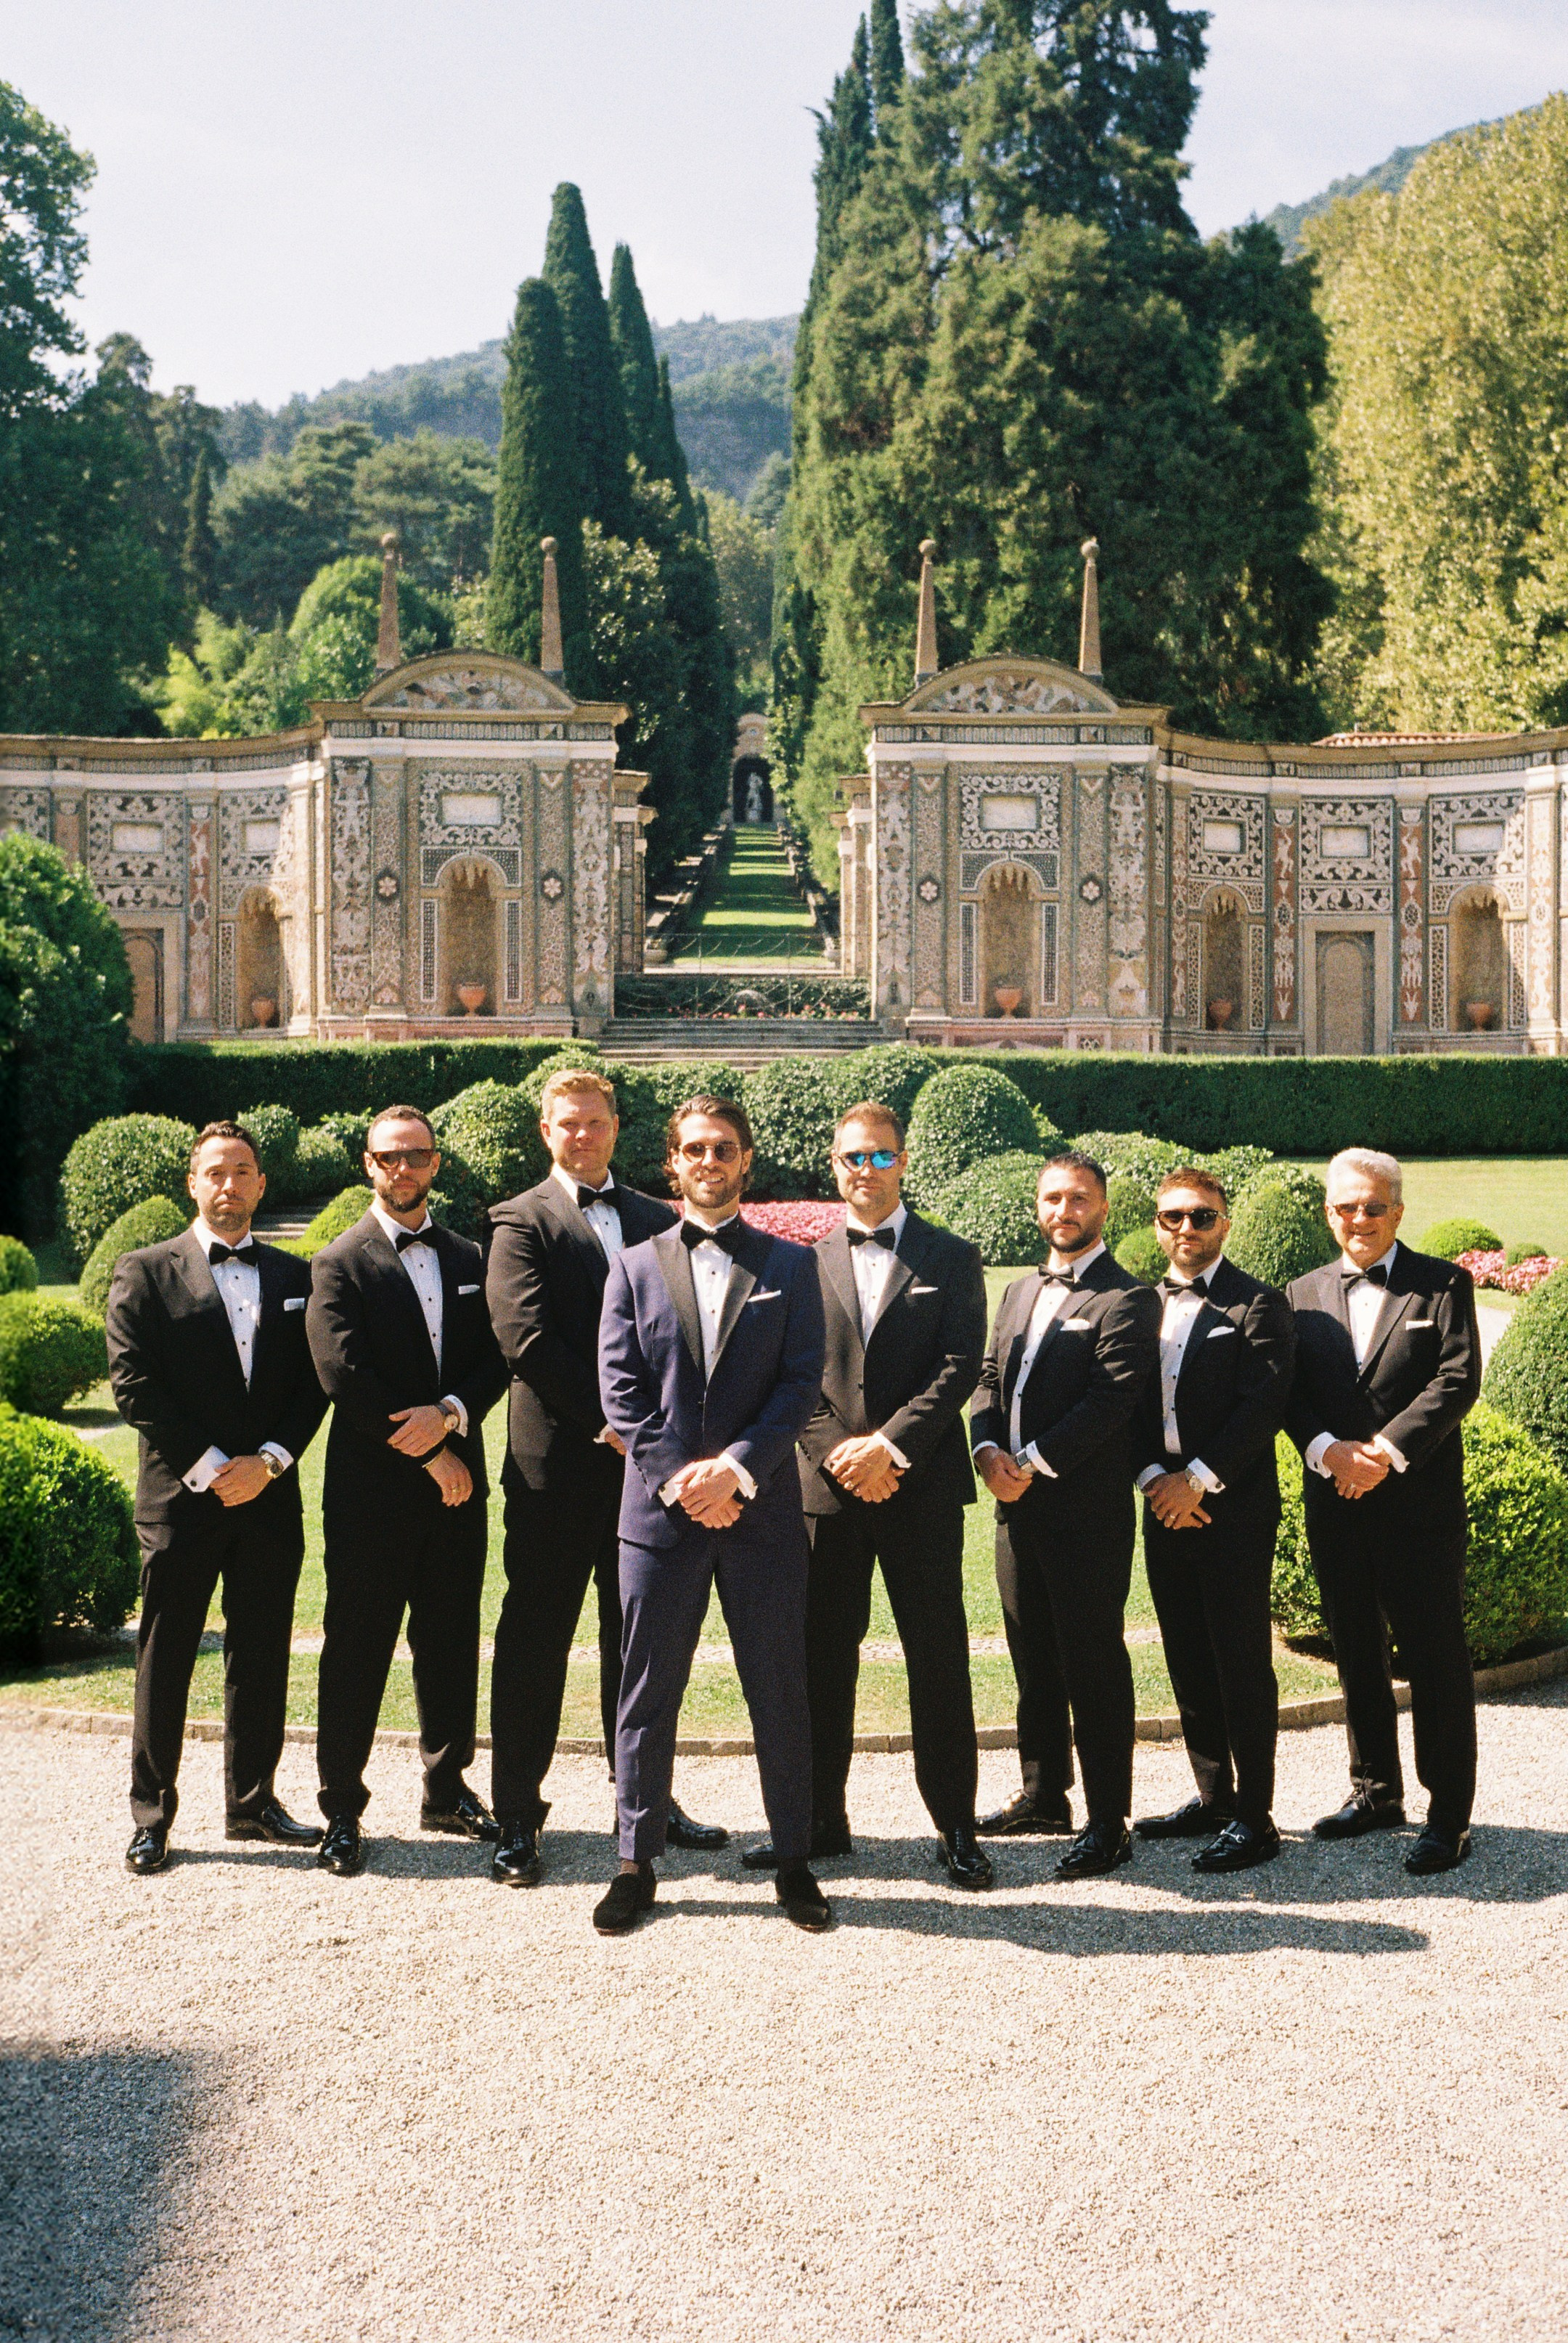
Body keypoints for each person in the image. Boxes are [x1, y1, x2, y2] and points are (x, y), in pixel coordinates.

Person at [483, 1067, 727, 1886]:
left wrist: (658, 1439)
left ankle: (644, 1801)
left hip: (648, 1473)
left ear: (616, 1126)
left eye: (594, 1121)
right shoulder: (519, 1221)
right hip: (558, 1469)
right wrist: (619, 1422)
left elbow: (687, 1337)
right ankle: (517, 1815)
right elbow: (527, 1341)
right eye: (566, 1123)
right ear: (545, 1131)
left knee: (643, 1645)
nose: (581, 1134)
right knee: (535, 1640)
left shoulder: (662, 1219)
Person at [593, 1096, 828, 1936]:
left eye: (723, 1148)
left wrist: (734, 1471)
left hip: (760, 1513)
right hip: (658, 1521)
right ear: (673, 1163)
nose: (708, 1160)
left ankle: (795, 1861)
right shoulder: (632, 1266)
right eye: (694, 1148)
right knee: (647, 1692)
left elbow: (803, 1382)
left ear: (746, 1159)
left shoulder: (792, 1267)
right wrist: (680, 1480)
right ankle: (634, 1861)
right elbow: (620, 1391)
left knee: (779, 1687)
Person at [747, 1100, 989, 1884]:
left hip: (919, 1485)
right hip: (826, 1490)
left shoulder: (951, 1256)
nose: (866, 1170)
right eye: (854, 1157)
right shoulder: (802, 1261)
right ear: (835, 1165)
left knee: (938, 1656)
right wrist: (840, 1453)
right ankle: (820, 1820)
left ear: (903, 1160)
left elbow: (959, 1366)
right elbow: (795, 1374)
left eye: (881, 1156)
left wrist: (890, 1446)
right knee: (820, 1657)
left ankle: (955, 1825)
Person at [105, 1120, 327, 1875]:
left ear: (262, 1183)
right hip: (182, 1498)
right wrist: (210, 1465)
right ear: (192, 1184)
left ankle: (253, 1801)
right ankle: (152, 1814)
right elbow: (135, 1384)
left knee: (261, 1652)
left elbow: (312, 1386)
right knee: (165, 1658)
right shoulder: (144, 1269)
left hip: (268, 1496)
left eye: (242, 1171)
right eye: (215, 1172)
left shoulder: (298, 1276)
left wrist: (266, 1462)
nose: (229, 1184)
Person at [306, 1104, 507, 1877]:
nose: (402, 1169)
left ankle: (447, 1786)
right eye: (388, 1157)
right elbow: (344, 1378)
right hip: (371, 1495)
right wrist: (432, 1455)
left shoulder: (468, 1254)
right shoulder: (337, 1262)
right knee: (357, 1648)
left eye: (415, 1156)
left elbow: (496, 1358)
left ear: (435, 1164)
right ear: (368, 1164)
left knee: (452, 1640)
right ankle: (342, 1810)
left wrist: (453, 1416)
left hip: (458, 1492)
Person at [1285, 1147, 1482, 1875]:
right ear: (1329, 1211)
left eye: (1373, 1206)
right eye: (1345, 1206)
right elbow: (1290, 1392)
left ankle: (1448, 1815)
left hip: (1418, 1506)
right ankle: (1375, 1790)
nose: (1358, 1219)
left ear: (1397, 1210)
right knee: (1356, 1648)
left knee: (1434, 1657)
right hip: (1334, 1501)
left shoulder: (1443, 1285)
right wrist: (1328, 1450)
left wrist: (1385, 1453)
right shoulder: (1299, 1294)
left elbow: (1457, 1380)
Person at [970, 1152, 1161, 1880]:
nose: (1064, 1210)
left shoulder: (1129, 1298)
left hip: (1083, 1512)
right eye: (1053, 1198)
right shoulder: (1018, 1289)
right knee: (1032, 1658)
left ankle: (1110, 1821)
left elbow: (1111, 1403)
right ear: (1037, 1206)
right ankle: (1045, 1792)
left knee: (1094, 1664)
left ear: (1103, 1209)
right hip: (1014, 1511)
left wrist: (1030, 1463)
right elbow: (988, 1378)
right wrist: (986, 1450)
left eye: (1079, 1198)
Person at [1131, 1168, 1295, 1872]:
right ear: (1158, 1223)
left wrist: (1194, 1482)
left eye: (1202, 1216)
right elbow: (1122, 1403)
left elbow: (1262, 1406)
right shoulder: (1137, 1305)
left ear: (1224, 1222)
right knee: (1186, 1652)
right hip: (1162, 1506)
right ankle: (1213, 1794)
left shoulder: (1258, 1303)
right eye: (1174, 1217)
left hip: (1231, 1509)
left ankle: (1257, 1817)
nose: (1187, 1229)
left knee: (1241, 1659)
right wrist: (1153, 1482)